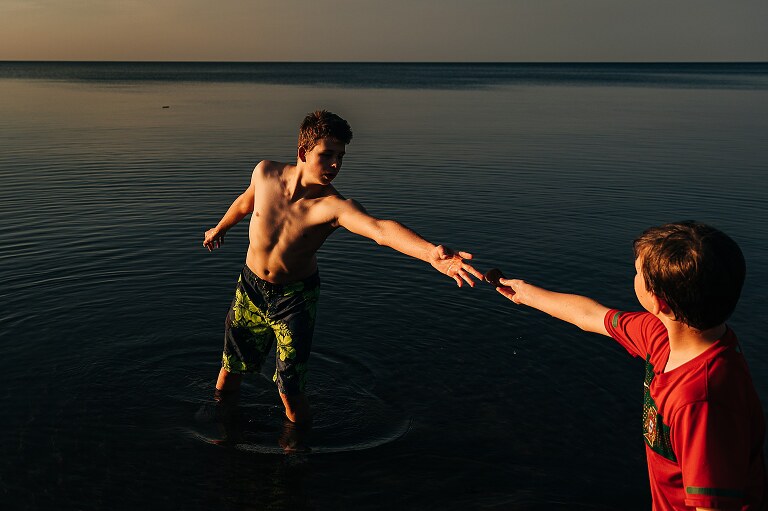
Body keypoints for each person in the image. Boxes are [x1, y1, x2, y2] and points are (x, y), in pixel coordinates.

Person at [203, 110, 482, 426]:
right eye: (327, 155)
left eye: (340, 156)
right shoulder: (265, 173)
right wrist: (220, 227)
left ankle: (295, 453)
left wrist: (430, 252)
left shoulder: (334, 207)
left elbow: (379, 229)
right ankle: (220, 430)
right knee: (231, 367)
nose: (336, 165)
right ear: (303, 153)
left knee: (290, 388)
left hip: (294, 301)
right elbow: (245, 202)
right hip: (251, 288)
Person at [494, 221, 766, 510]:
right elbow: (590, 316)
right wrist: (524, 293)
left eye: (637, 271)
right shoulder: (660, 333)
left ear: (658, 301)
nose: (633, 273)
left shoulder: (701, 399)